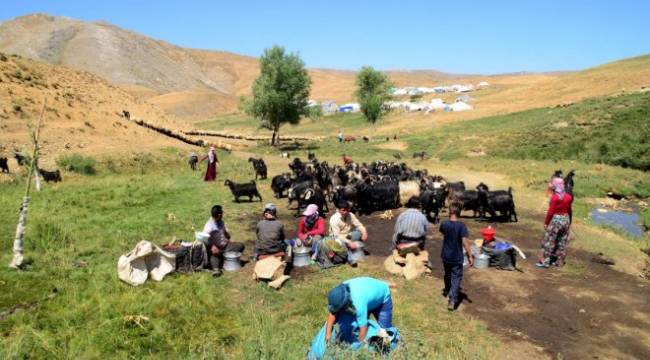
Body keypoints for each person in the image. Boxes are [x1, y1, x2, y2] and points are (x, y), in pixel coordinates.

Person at [325, 277, 393, 345]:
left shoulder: (358, 304)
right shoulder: (339, 292)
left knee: (385, 333)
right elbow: (333, 313)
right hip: (367, 295)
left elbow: (363, 328)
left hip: (382, 297)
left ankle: (390, 349)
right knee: (356, 325)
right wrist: (328, 334)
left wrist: (359, 347)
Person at [440, 201, 473, 311]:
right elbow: (464, 241)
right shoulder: (461, 226)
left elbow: (443, 232)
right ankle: (452, 300)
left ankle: (447, 290)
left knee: (448, 274)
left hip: (445, 255)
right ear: (459, 213)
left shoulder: (444, 224)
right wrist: (470, 255)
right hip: (456, 256)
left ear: (450, 212)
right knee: (456, 277)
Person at [537, 181, 573, 268]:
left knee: (549, 241)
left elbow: (550, 212)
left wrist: (546, 222)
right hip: (565, 219)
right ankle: (559, 261)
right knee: (562, 241)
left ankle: (545, 262)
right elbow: (569, 210)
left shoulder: (555, 198)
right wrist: (569, 221)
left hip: (556, 220)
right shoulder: (568, 197)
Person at [202, 205, 245, 277]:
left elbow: (226, 233)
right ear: (219, 215)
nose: (222, 214)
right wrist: (212, 246)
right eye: (222, 212)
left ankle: (224, 258)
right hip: (216, 249)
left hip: (225, 246)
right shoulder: (209, 225)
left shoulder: (221, 221)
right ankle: (216, 269)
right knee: (215, 256)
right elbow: (203, 238)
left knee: (240, 246)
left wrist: (229, 238)